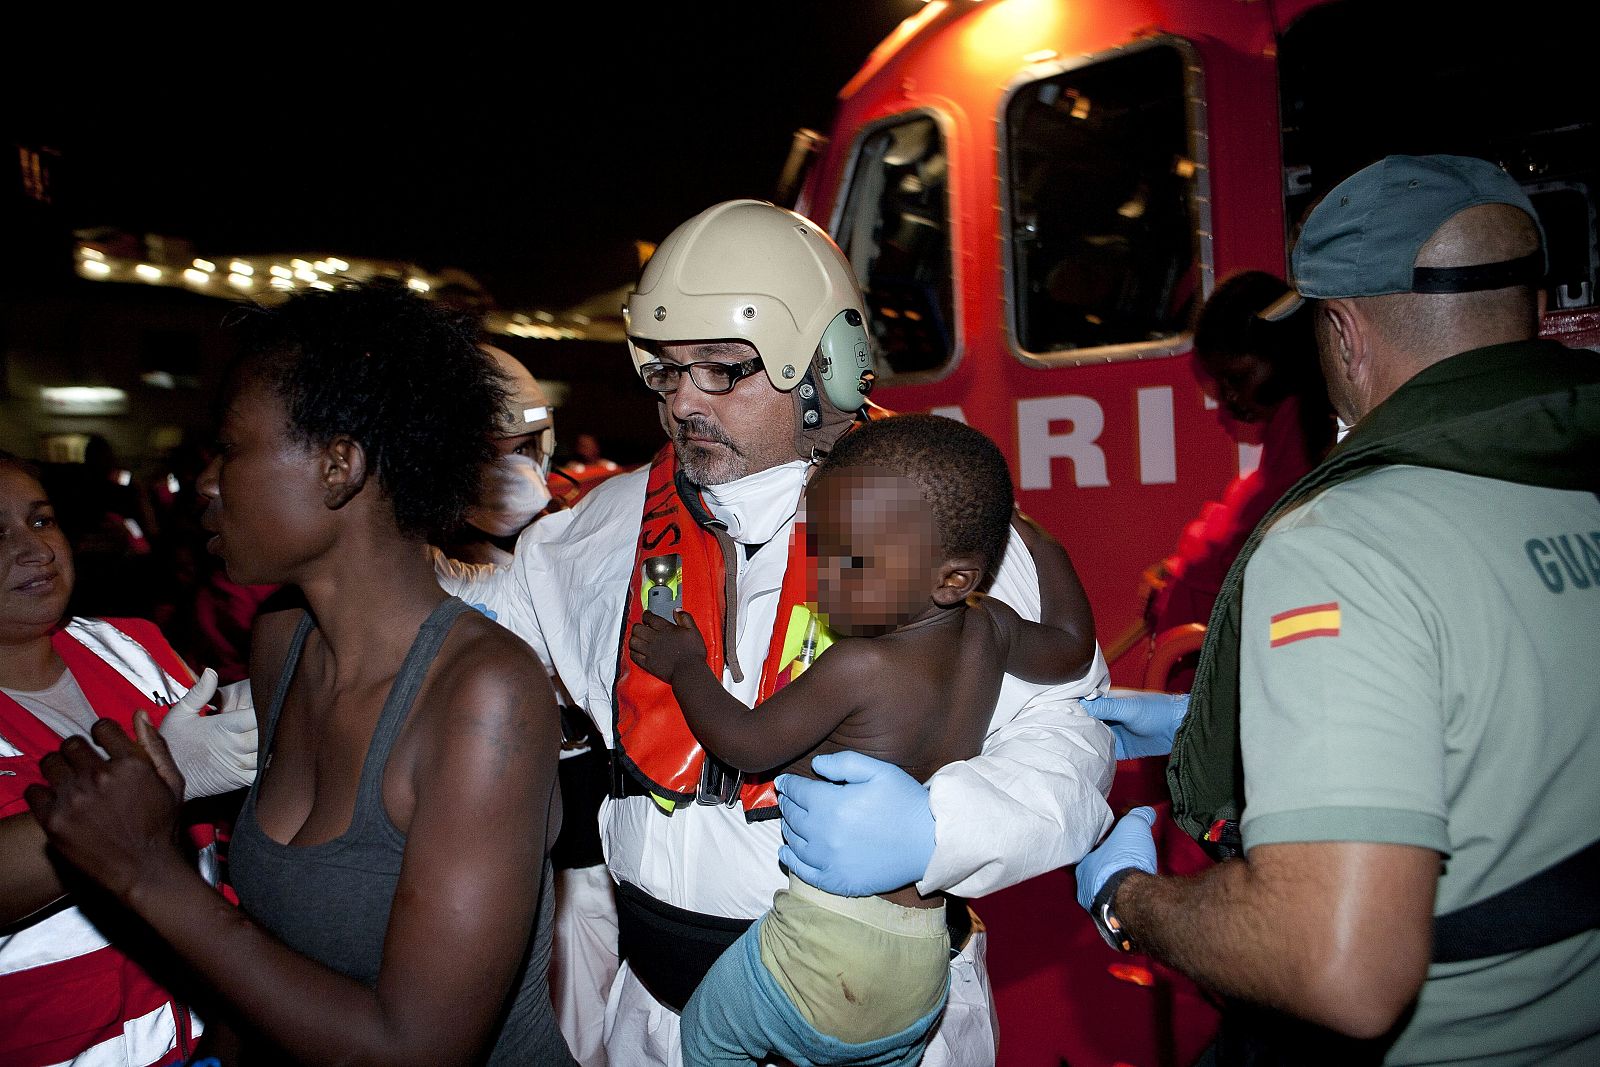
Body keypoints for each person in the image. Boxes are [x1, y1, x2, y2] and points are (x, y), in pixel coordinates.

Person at [436, 199, 1116, 1066]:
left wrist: (941, 830)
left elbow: (1073, 745)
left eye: (724, 367)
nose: (684, 398)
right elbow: (456, 657)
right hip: (655, 1019)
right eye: (665, 369)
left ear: (824, 364)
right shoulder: (585, 536)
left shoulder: (935, 523)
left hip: (872, 1017)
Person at [1076, 154, 1600, 1063]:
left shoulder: (1344, 545)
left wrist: (1127, 898)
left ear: (1347, 334)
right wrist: (1227, 723)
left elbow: (1338, 963)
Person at [26, 286, 575, 1066]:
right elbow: (272, 952)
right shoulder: (283, 640)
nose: (207, 483)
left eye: (231, 448)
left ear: (337, 467)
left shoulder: (485, 695)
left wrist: (150, 872)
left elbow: (418, 1048)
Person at [627, 413, 1094, 1065]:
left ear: (954, 579)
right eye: (818, 550)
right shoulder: (992, 630)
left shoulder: (858, 664)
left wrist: (686, 667)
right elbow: (1073, 650)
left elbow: (744, 744)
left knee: (706, 1037)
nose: (822, 579)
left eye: (852, 563)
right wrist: (1048, 549)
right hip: (920, 960)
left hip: (824, 948)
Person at [0, 449, 254, 1066]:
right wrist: (164, 770)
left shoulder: (129, 644)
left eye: (41, 520)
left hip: (210, 1025)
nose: (33, 549)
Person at [1142, 270, 1333, 641]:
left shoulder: (1308, 432)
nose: (1228, 399)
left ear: (1281, 354)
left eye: (1238, 378)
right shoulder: (1291, 428)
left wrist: (1184, 574)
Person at [439, 344, 560, 568]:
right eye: (486, 455)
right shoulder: (415, 569)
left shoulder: (568, 544)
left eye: (520, 450)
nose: (513, 470)